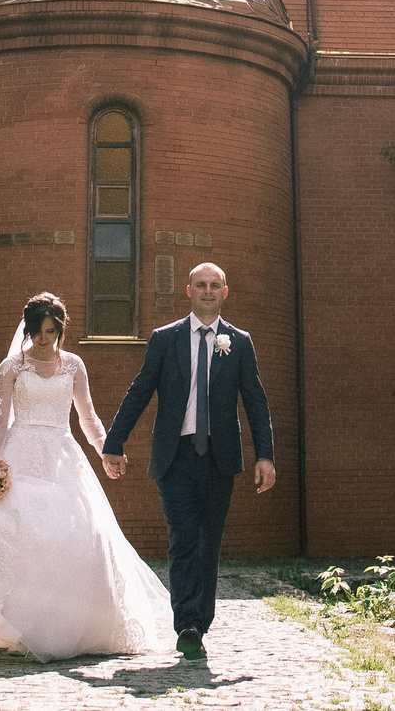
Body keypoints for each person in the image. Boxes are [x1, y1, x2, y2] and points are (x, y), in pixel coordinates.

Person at [0, 292, 176, 660]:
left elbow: (87, 417)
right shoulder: (12, 368)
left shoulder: (74, 365)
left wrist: (107, 450)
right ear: (28, 329)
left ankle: (57, 628)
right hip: (18, 454)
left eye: (52, 331)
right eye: (39, 331)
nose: (45, 338)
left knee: (73, 536)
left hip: (61, 457)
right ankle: (14, 625)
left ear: (60, 330)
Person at [99, 263, 276, 661]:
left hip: (219, 457)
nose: (208, 291)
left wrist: (265, 455)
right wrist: (114, 441)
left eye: (215, 286)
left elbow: (255, 400)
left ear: (225, 292)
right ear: (189, 291)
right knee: (183, 538)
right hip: (175, 457)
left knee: (208, 541)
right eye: (201, 285)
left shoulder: (239, 341)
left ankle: (200, 621)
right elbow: (141, 390)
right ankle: (188, 624)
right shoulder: (166, 339)